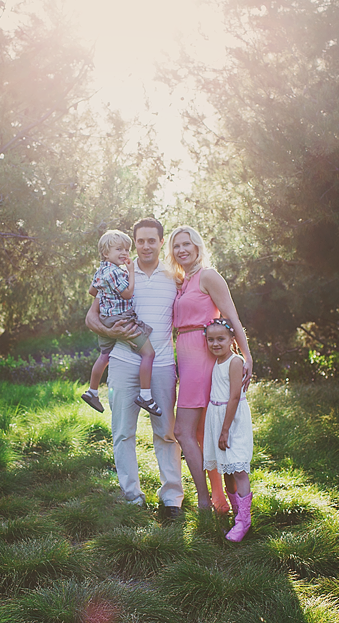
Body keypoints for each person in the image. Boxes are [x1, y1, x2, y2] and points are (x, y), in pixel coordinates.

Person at [85, 218, 183, 519]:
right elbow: (91, 318)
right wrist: (115, 334)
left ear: (160, 242)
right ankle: (132, 497)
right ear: (134, 243)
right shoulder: (117, 274)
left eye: (151, 240)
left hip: (163, 364)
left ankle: (171, 500)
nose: (145, 246)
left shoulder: (175, 276)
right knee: (122, 432)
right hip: (123, 363)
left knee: (166, 433)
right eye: (140, 241)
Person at [168, 225, 253, 512]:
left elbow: (232, 317)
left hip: (205, 357)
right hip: (186, 355)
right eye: (176, 245)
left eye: (186, 244)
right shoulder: (182, 281)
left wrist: (247, 356)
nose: (181, 250)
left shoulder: (208, 276)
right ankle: (219, 501)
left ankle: (206, 500)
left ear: (197, 246)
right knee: (203, 431)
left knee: (183, 430)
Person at [81, 230, 162, 417]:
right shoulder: (115, 272)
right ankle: (145, 395)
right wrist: (131, 272)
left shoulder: (101, 271)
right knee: (149, 354)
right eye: (119, 249)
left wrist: (106, 295)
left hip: (107, 319)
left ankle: (92, 391)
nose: (125, 253)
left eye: (126, 249)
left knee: (105, 355)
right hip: (122, 319)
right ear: (105, 253)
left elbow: (92, 291)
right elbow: (127, 293)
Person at [202, 318, 254, 542]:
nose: (215, 344)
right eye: (210, 339)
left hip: (231, 421)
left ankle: (244, 521)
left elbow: (234, 396)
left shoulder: (235, 361)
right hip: (217, 418)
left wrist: (225, 431)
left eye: (220, 339)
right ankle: (236, 514)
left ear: (232, 339)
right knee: (227, 470)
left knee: (239, 470)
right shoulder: (216, 361)